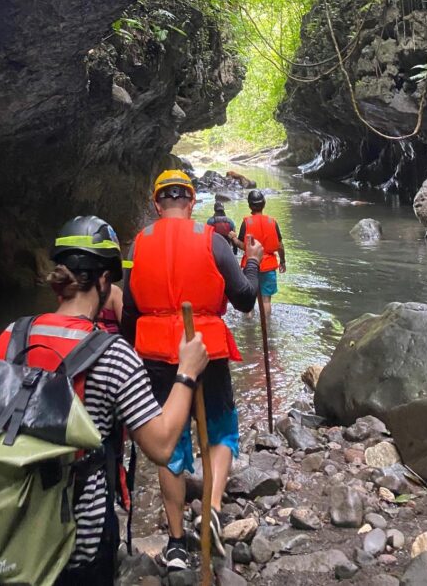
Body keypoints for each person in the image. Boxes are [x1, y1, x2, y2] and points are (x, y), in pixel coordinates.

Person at [0, 215, 209, 586]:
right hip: (81, 542)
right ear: (104, 280)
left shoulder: (10, 337)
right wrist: (186, 372)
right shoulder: (114, 355)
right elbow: (161, 445)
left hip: (13, 524)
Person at [121, 170, 264, 569]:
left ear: (156, 204)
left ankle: (177, 542)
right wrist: (251, 261)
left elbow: (130, 309)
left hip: (155, 355)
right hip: (207, 349)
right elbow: (247, 299)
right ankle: (213, 509)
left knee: (170, 444)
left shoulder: (138, 244)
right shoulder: (213, 241)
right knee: (220, 431)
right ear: (191, 201)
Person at [232, 189, 286, 325]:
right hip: (268, 266)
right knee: (266, 299)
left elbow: (243, 246)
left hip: (251, 266)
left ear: (250, 206)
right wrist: (283, 261)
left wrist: (233, 238)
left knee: (248, 298)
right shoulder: (272, 222)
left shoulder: (247, 222)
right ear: (264, 204)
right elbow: (280, 245)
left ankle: (248, 323)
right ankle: (266, 325)